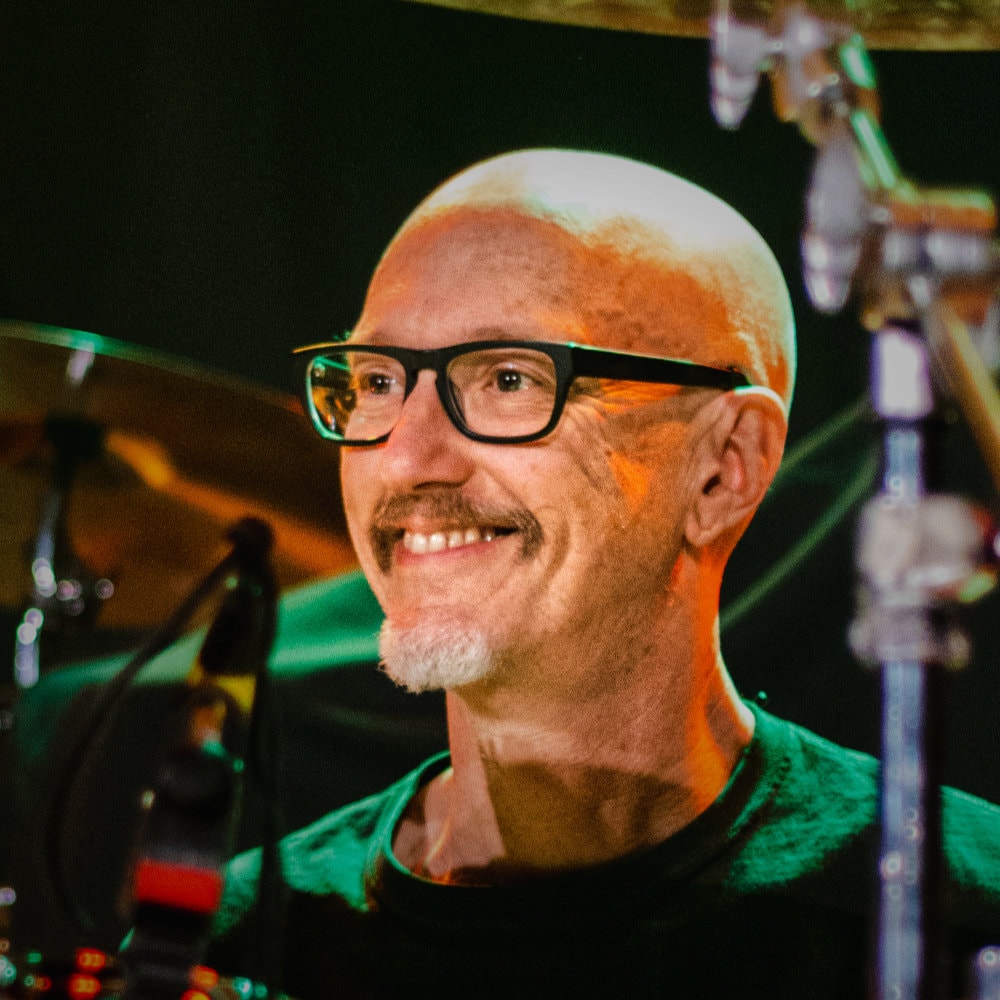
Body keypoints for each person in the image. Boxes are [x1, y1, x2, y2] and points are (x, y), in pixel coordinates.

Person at [207, 149, 1000, 998]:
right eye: (375, 382)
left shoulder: (959, 913)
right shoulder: (237, 944)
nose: (405, 459)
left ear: (725, 466)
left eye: (509, 378)